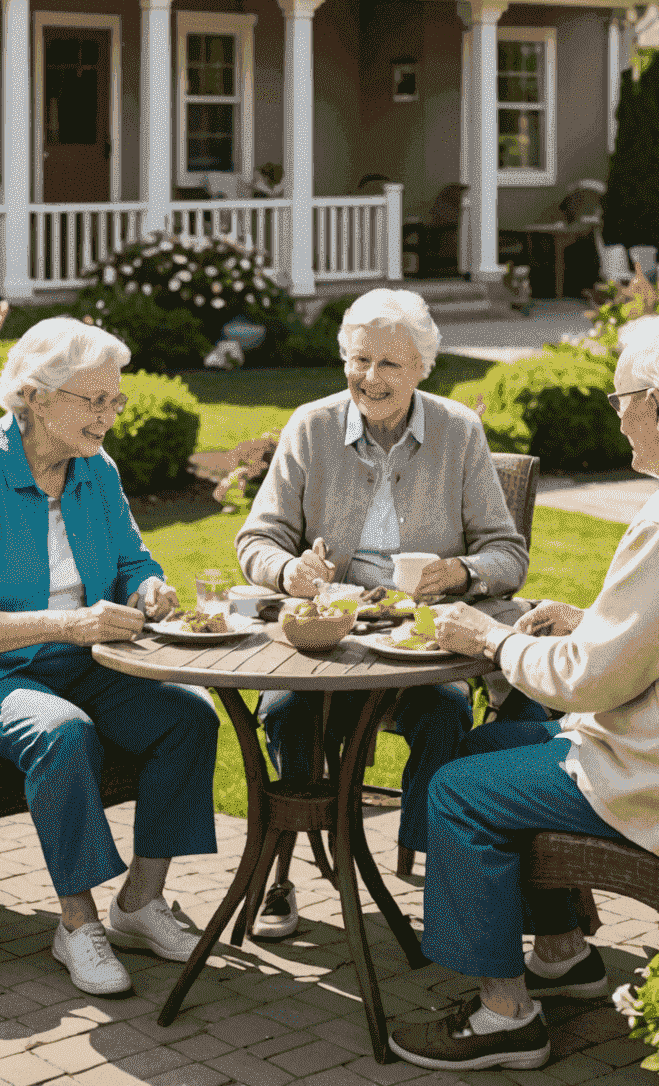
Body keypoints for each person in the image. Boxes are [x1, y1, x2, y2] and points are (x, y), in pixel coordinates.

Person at [387, 314, 659, 1072]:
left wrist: (491, 640)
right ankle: (561, 953)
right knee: (488, 744)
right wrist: (586, 620)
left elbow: (593, 680)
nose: (617, 415)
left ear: (655, 406)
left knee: (458, 788)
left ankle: (505, 1016)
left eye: (620, 399)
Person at [0, 317, 219, 998]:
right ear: (36, 398)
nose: (109, 417)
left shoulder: (95, 468)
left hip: (68, 655)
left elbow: (130, 558)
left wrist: (149, 588)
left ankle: (139, 904)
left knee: (189, 715)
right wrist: (73, 624)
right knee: (61, 731)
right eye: (94, 401)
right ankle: (76, 921)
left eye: (114, 400)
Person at [235, 288, 529, 939]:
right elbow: (255, 541)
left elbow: (508, 554)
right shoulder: (312, 427)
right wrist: (291, 571)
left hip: (420, 651)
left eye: (390, 364)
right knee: (284, 712)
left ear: (424, 366)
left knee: (448, 713)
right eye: (359, 360)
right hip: (327, 646)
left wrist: (459, 573)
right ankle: (279, 878)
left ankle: (436, 873)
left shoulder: (459, 432)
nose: (371, 378)